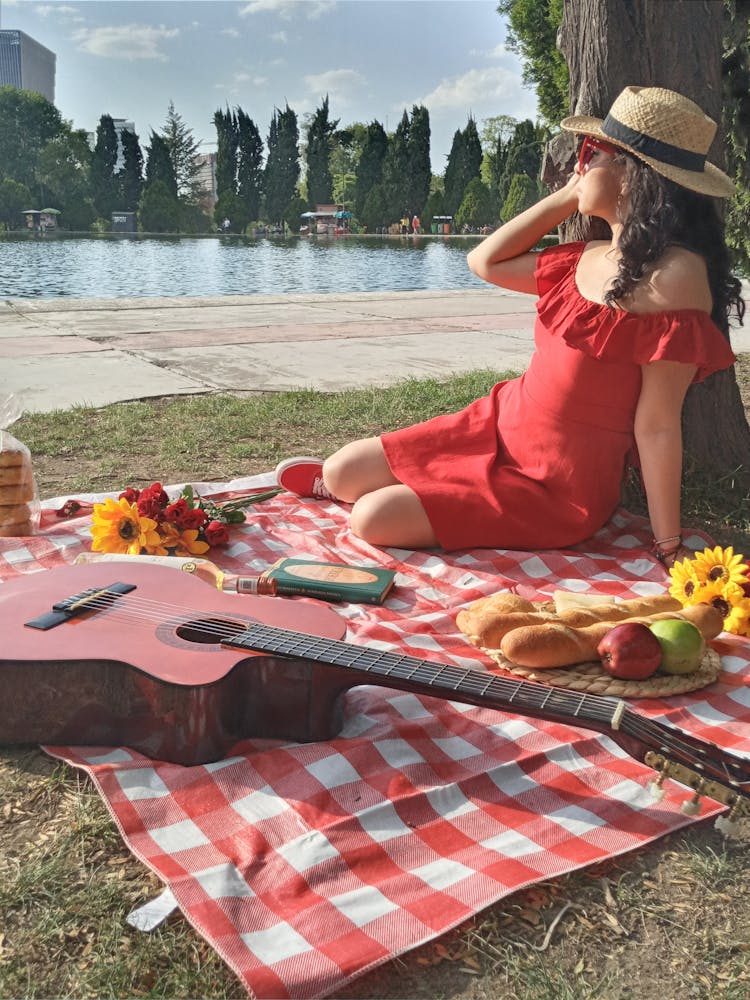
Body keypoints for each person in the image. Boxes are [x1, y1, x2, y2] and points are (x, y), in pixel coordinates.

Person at [275, 87, 743, 569]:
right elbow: (484, 260)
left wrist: (667, 543)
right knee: (341, 469)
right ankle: (373, 488)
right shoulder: (586, 258)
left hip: (556, 486)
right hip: (499, 423)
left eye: (590, 154)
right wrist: (566, 197)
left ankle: (407, 496)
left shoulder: (676, 277)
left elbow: (658, 423)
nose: (577, 167)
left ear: (632, 173)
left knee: (371, 519)